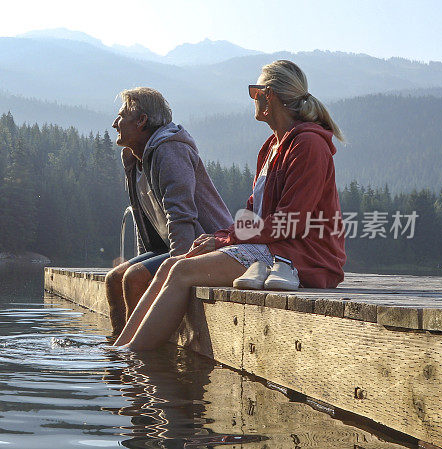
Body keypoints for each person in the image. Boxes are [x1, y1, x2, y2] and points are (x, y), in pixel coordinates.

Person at [114, 60, 347, 350]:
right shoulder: (273, 146)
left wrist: (225, 239)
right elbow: (253, 215)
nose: (252, 98)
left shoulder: (308, 145)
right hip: (271, 246)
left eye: (254, 91)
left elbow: (292, 222)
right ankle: (118, 349)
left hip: (301, 254)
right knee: (172, 265)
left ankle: (134, 356)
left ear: (268, 95)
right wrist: (218, 238)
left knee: (181, 271)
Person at [105, 87, 232, 336]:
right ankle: (118, 353)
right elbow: (146, 224)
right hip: (168, 247)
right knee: (114, 279)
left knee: (134, 278)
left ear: (142, 120)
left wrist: (176, 272)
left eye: (121, 116)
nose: (114, 123)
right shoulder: (135, 159)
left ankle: (137, 356)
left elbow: (181, 215)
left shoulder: (169, 149)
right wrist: (147, 261)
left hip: (206, 247)